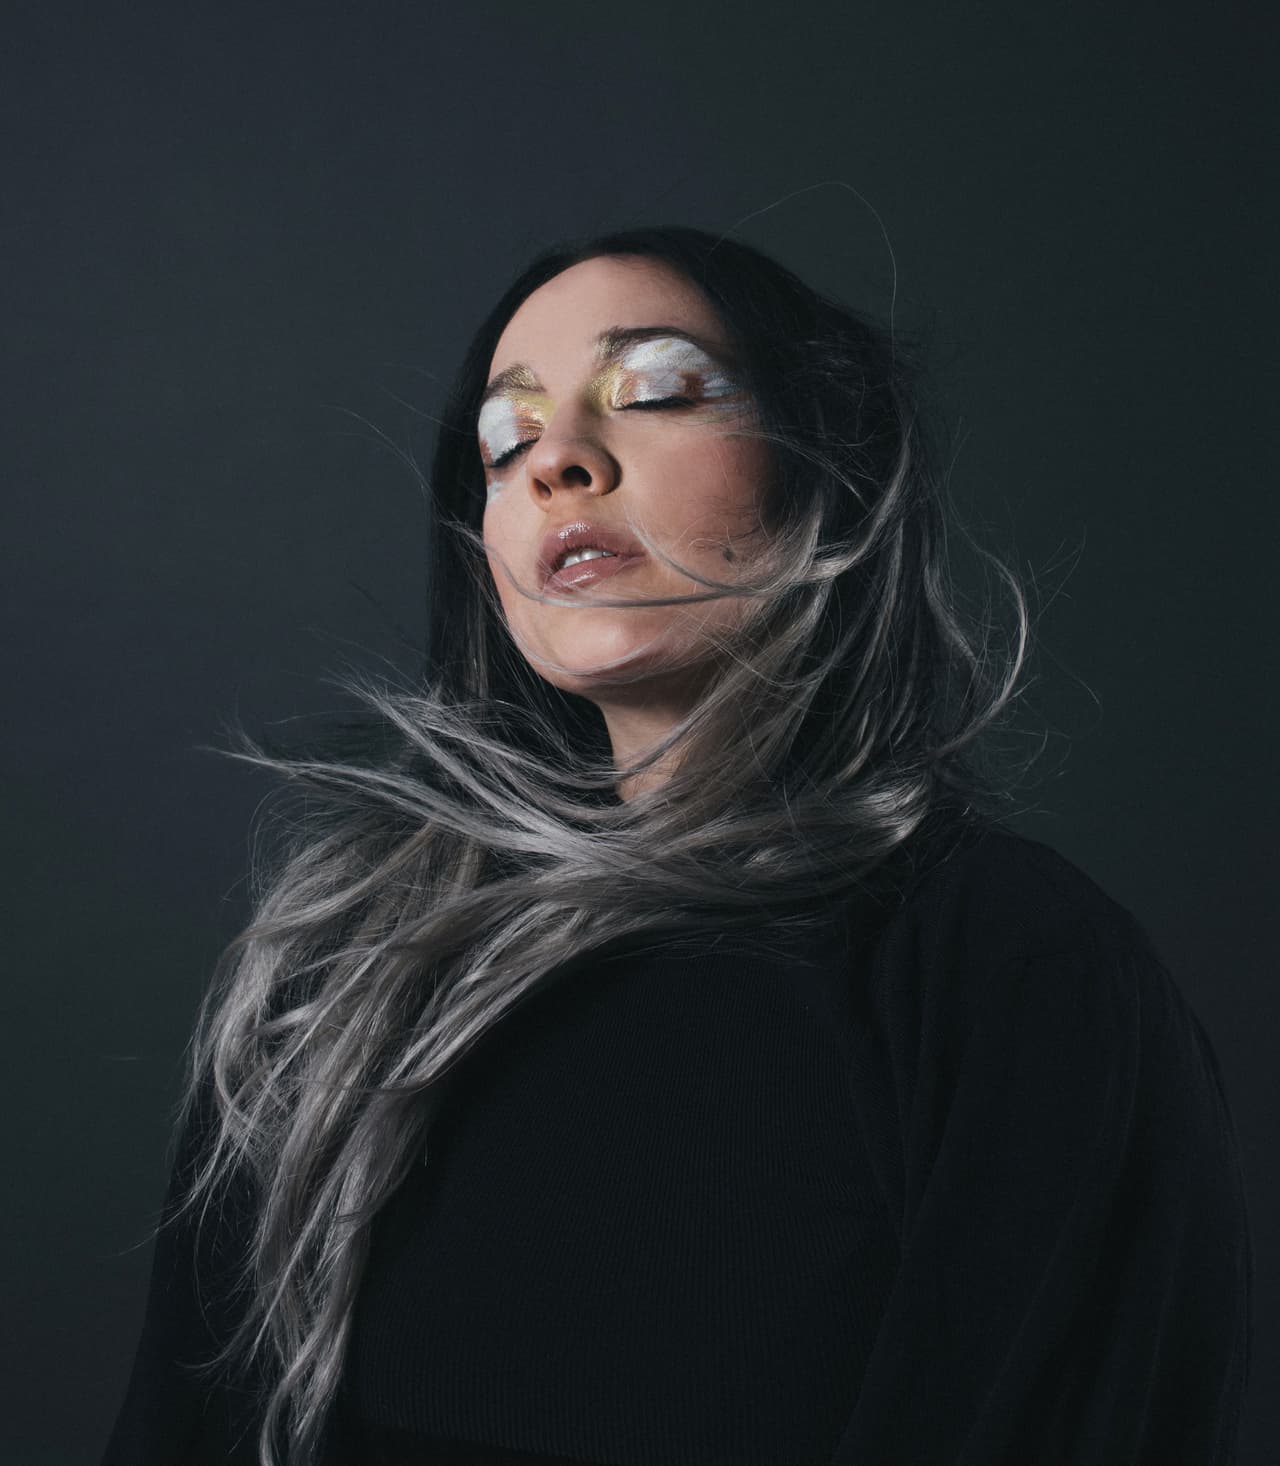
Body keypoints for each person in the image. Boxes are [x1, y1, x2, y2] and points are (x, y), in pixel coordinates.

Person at [102, 226, 1253, 1466]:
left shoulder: (1016, 966)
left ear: (825, 468)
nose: (557, 461)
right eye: (506, 440)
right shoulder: (339, 965)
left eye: (652, 390)